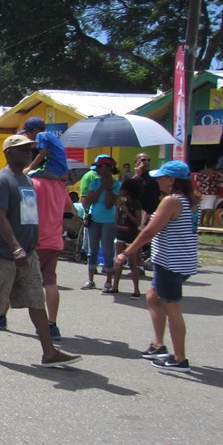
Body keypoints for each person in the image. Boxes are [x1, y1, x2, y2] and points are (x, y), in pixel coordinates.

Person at [0, 135, 80, 366]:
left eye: (30, 149)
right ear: (8, 153)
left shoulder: (26, 179)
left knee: (36, 298)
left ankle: (49, 352)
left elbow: (28, 215)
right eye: (23, 150)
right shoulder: (3, 180)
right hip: (4, 252)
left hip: (28, 251)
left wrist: (30, 244)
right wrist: (15, 247)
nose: (29, 153)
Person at [113, 161, 199, 372]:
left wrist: (126, 252)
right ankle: (158, 344)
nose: (157, 179)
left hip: (170, 262)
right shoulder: (188, 200)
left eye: (161, 176)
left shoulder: (171, 201)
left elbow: (148, 232)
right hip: (179, 260)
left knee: (173, 309)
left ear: (172, 180)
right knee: (153, 297)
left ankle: (180, 359)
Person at [0, 171, 76, 341]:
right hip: (55, 239)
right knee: (50, 281)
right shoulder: (60, 186)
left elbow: (24, 211)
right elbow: (70, 210)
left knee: (16, 277)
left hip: (36, 239)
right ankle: (52, 325)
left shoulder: (32, 183)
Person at [81, 155, 121, 292]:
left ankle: (108, 281)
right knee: (92, 250)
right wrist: (102, 187)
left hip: (108, 221)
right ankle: (90, 279)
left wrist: (109, 189)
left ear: (108, 168)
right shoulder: (95, 182)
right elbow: (89, 200)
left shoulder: (117, 185)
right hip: (94, 219)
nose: (96, 169)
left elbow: (110, 204)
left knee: (108, 250)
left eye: (99, 166)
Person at [111, 179, 145, 298]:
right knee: (118, 261)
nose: (120, 191)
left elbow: (137, 222)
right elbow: (117, 220)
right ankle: (114, 286)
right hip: (121, 233)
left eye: (123, 189)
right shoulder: (123, 203)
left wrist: (127, 211)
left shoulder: (136, 204)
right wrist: (118, 209)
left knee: (132, 263)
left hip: (131, 235)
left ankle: (136, 289)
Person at [195, 162, 221, 227]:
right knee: (209, 207)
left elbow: (197, 178)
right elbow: (221, 177)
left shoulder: (201, 172)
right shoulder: (215, 173)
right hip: (211, 192)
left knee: (202, 207)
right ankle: (207, 223)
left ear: (206, 166)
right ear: (213, 166)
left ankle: (200, 222)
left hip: (202, 192)